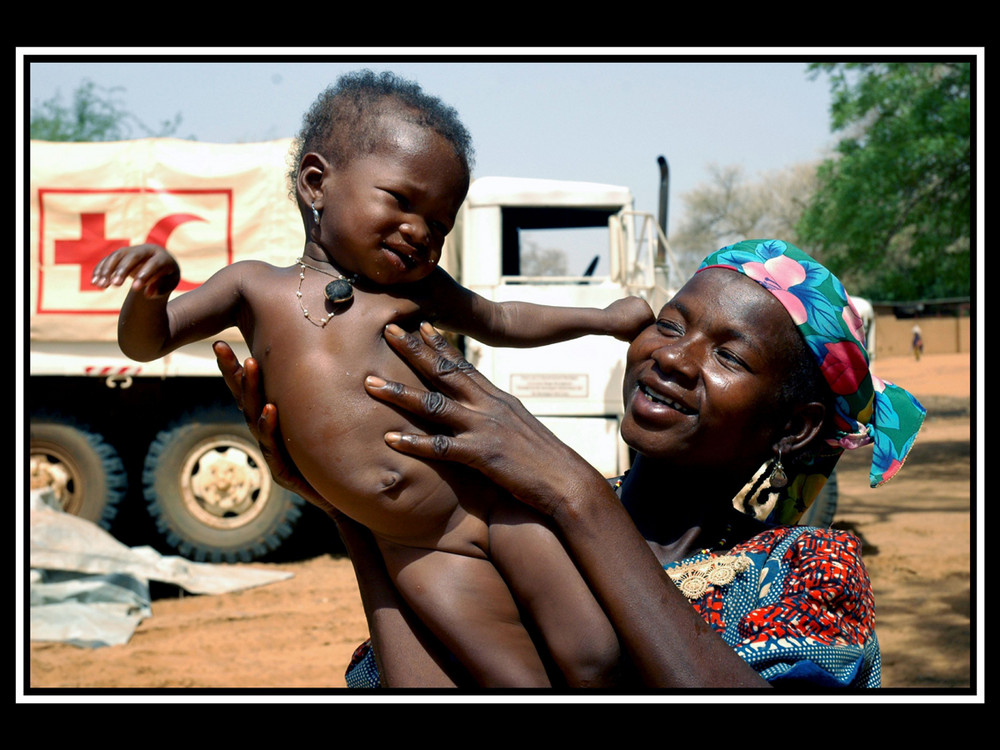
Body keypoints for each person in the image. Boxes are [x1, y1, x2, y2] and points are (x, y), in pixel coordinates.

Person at [92, 70, 654, 687]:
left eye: (440, 225)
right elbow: (147, 342)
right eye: (401, 201)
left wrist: (601, 319)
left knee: (593, 656)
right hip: (415, 544)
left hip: (491, 501)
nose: (421, 233)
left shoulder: (417, 291)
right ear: (316, 183)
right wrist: (152, 291)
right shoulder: (252, 286)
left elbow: (500, 318)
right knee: (513, 682)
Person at [216, 238, 926, 688]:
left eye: (729, 355)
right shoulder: (512, 525)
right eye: (670, 324)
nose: (673, 358)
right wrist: (360, 516)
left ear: (795, 429)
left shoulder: (808, 570)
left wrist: (574, 490)